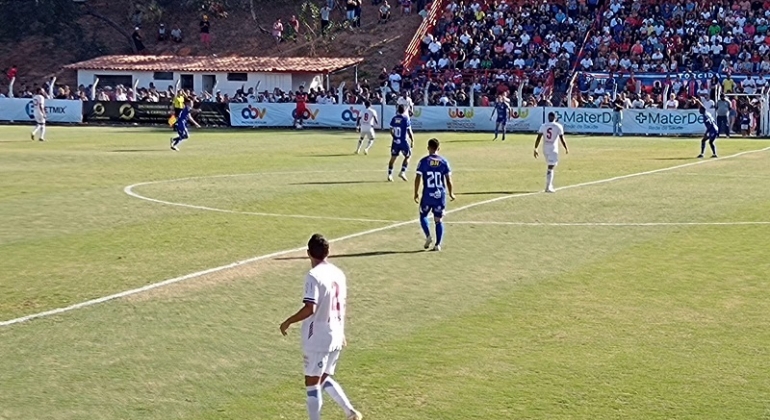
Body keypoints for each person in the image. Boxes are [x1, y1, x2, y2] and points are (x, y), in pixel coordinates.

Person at [279, 234, 363, 420]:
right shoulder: (338, 273)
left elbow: (311, 308)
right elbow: (341, 303)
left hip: (318, 337)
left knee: (312, 383)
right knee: (323, 378)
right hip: (336, 335)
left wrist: (288, 321)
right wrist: (341, 331)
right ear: (328, 252)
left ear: (308, 253)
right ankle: (350, 412)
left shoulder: (313, 276)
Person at [414, 138, 455, 252]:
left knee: (423, 216)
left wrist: (416, 192)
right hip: (439, 195)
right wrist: (451, 193)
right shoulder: (443, 162)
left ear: (428, 148)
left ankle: (428, 235)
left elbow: (418, 178)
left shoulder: (423, 161)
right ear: (439, 148)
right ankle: (437, 244)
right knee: (438, 220)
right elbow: (448, 180)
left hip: (427, 194)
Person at [533, 112, 569, 193]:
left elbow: (538, 137)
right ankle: (548, 187)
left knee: (551, 165)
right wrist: (566, 147)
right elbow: (561, 138)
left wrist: (535, 148)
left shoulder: (543, 126)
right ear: (555, 118)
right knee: (551, 166)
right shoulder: (558, 126)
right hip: (553, 148)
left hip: (545, 147)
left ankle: (549, 185)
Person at [388, 104, 414, 182]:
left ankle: (389, 175)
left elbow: (391, 130)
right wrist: (412, 140)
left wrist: (394, 137)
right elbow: (409, 131)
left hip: (395, 141)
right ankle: (402, 172)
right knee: (408, 156)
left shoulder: (394, 118)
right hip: (403, 141)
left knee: (393, 158)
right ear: (404, 110)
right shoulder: (405, 119)